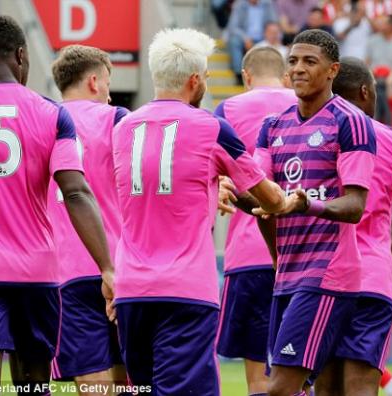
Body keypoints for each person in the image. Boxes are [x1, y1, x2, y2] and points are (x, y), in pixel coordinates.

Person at [111, 28, 288, 395]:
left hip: (131, 290)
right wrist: (293, 200)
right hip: (185, 289)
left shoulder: (123, 127)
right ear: (194, 80)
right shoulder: (211, 127)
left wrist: (212, 187)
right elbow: (266, 197)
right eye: (206, 77)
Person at [0, 14, 114, 393]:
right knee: (32, 382)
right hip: (35, 271)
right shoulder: (52, 114)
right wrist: (107, 266)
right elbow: (75, 191)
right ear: (21, 56)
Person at [249, 29, 377, 396]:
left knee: (279, 389)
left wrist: (308, 204)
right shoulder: (272, 126)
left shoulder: (349, 121)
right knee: (321, 389)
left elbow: (355, 206)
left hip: (327, 274)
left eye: (309, 61)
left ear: (333, 69)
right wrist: (226, 187)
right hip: (287, 274)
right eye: (293, 61)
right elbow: (261, 198)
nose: (298, 69)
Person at [315, 56, 392, 396]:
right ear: (365, 92)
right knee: (362, 387)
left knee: (324, 387)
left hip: (319, 277)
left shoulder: (311, 134)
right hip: (371, 280)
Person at [214, 46, 296, 396]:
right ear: (287, 76)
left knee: (258, 381)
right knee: (308, 372)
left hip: (249, 254)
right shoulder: (309, 102)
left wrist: (218, 185)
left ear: (245, 76)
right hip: (307, 253)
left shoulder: (227, 110)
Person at [48, 45, 129, 390]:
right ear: (95, 81)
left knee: (90, 375)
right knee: (132, 372)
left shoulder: (43, 120)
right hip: (120, 262)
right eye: (108, 83)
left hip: (64, 269)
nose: (109, 94)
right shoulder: (118, 120)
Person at [227, 0, 277, 84]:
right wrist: (245, 38)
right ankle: (239, 74)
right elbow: (233, 27)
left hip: (263, 37)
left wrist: (269, 35)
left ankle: (269, 75)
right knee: (234, 41)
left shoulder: (267, 4)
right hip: (244, 37)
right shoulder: (239, 5)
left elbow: (273, 22)